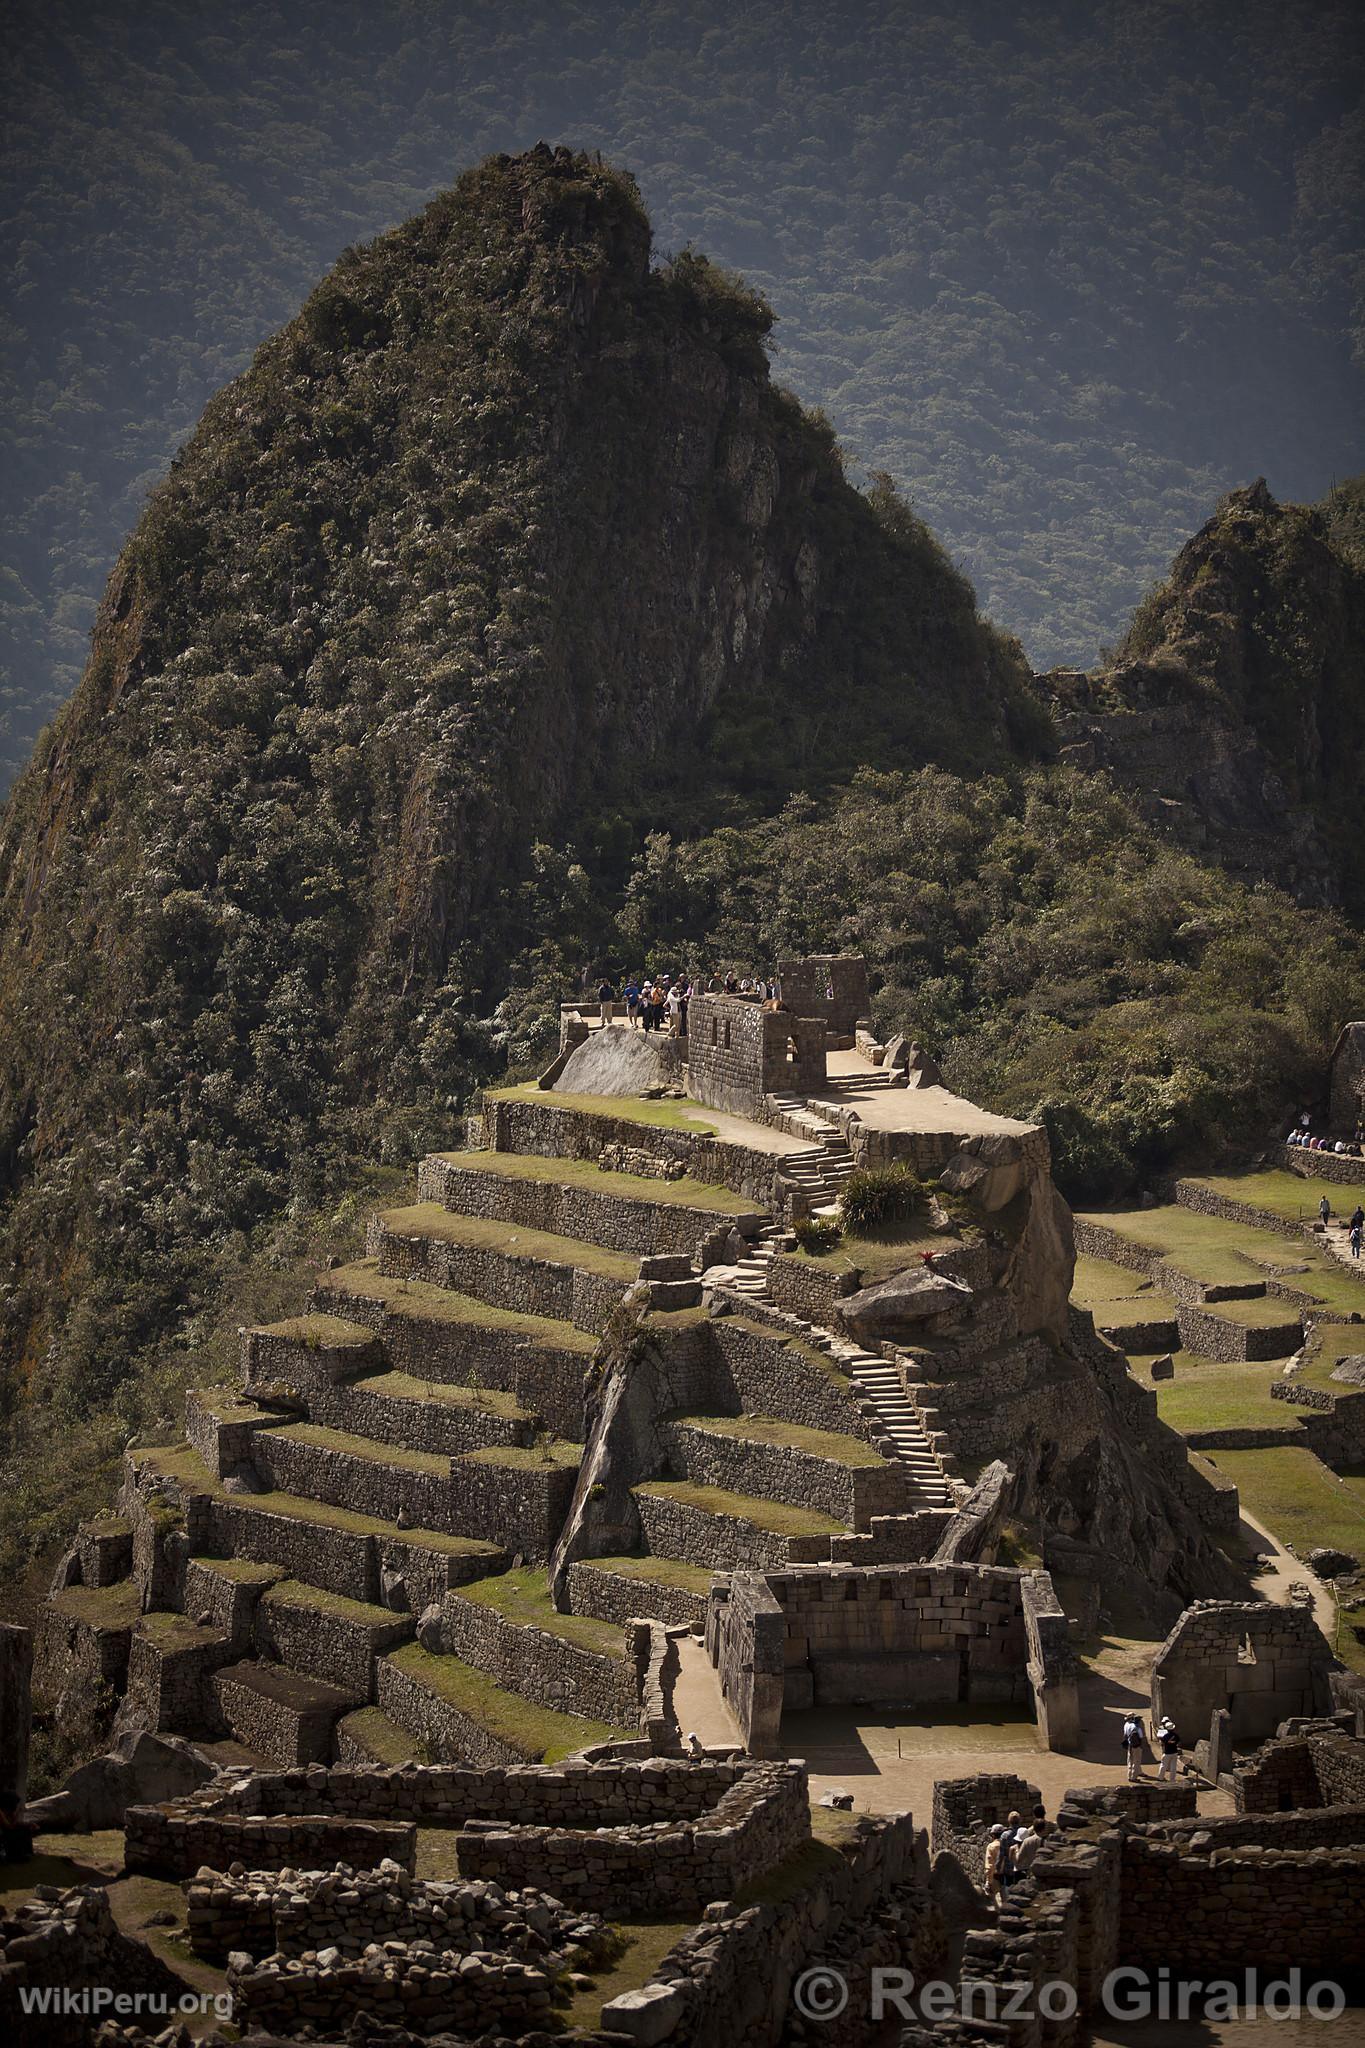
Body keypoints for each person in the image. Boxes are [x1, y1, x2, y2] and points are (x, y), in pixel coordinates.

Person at [983, 1824, 1005, 1905]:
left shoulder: (991, 1846)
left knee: (995, 1901)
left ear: (992, 1835)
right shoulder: (1006, 1845)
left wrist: (988, 1881)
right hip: (1006, 1875)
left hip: (995, 1877)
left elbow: (989, 1865)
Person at [1121, 1711, 1146, 1781]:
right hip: (1136, 1745)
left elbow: (1125, 1734)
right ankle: (1133, 1777)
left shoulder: (1126, 1724)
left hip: (1130, 1744)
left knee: (1130, 1760)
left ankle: (1132, 1774)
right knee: (1136, 1761)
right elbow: (1141, 1737)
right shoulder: (1136, 1727)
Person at [1156, 1717, 1182, 1783]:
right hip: (1174, 1752)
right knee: (1173, 1766)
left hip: (1167, 1752)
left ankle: (1160, 1777)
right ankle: (1172, 1779)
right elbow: (1179, 1743)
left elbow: (1162, 1743)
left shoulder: (1165, 1736)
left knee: (1163, 1765)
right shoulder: (1176, 1736)